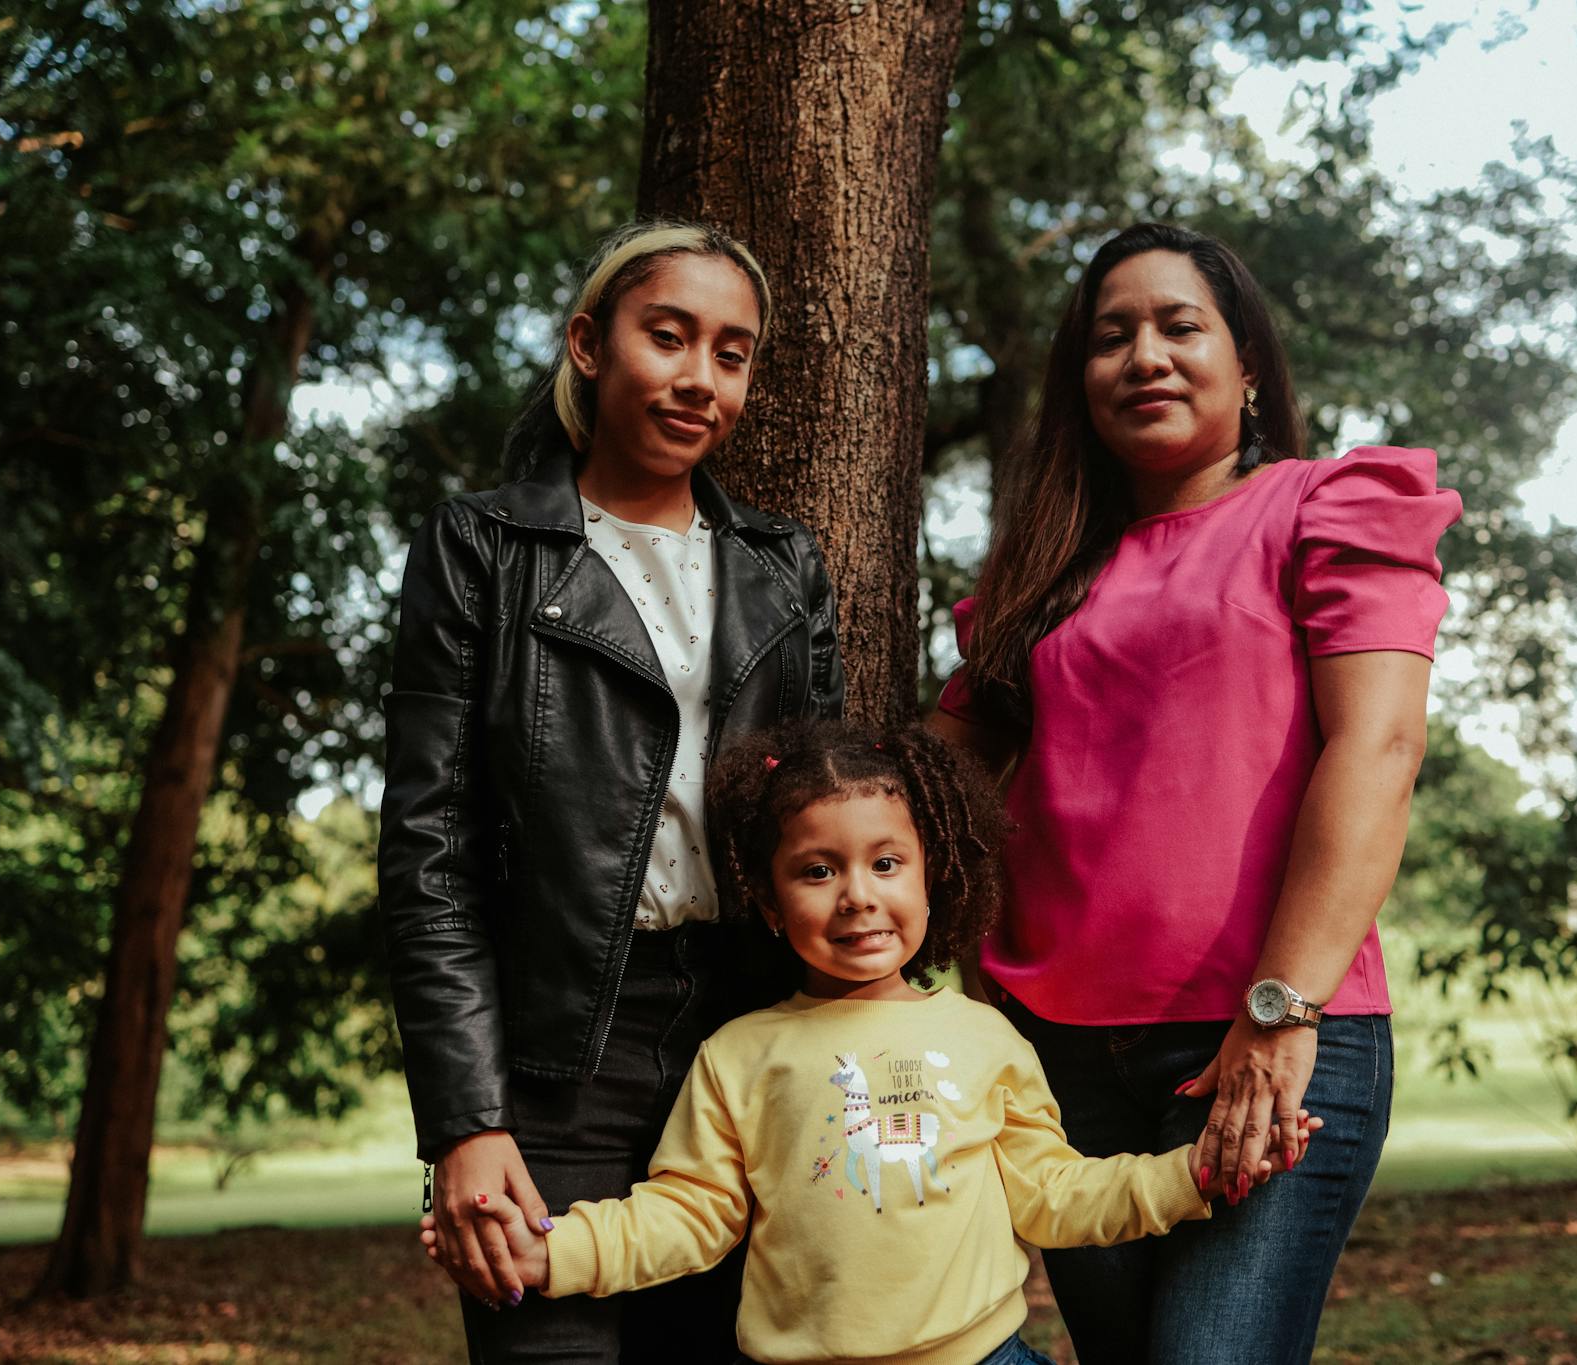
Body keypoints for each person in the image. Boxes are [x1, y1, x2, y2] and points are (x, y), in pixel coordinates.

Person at [930, 221, 1462, 1364]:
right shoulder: (1043, 574)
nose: (1145, 355)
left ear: (1249, 366)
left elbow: (1375, 750)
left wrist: (1279, 1013)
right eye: (1110, 335)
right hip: (1055, 1061)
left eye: (1180, 326)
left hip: (1260, 1033)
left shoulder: (1328, 506)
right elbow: (935, 778)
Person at [419, 722, 1320, 1365]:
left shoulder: (983, 1036)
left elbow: (1055, 1193)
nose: (857, 895)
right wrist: (552, 1252)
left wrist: (1192, 1173)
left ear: (933, 880)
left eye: (886, 863)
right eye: (818, 870)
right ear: (771, 905)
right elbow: (688, 1214)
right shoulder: (739, 1056)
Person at [380, 220, 845, 1364]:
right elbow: (427, 850)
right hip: (551, 1058)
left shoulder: (783, 569)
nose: (699, 380)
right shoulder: (480, 550)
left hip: (748, 1046)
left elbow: (831, 822)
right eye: (668, 337)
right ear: (590, 345)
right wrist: (466, 1119)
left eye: (730, 354)